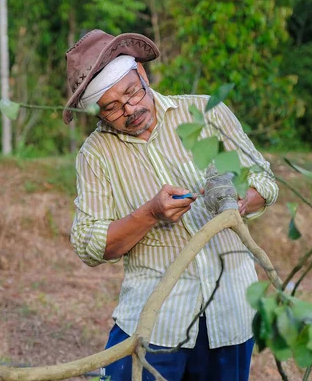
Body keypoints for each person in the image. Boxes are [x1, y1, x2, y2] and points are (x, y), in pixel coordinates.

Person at [64, 29, 279, 381]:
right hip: (154, 320)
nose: (130, 110)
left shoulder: (206, 113)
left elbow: (266, 182)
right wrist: (149, 213)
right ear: (98, 114)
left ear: (143, 75)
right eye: (113, 108)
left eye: (132, 93)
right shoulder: (96, 155)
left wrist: (236, 203)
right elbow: (90, 245)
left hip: (230, 308)